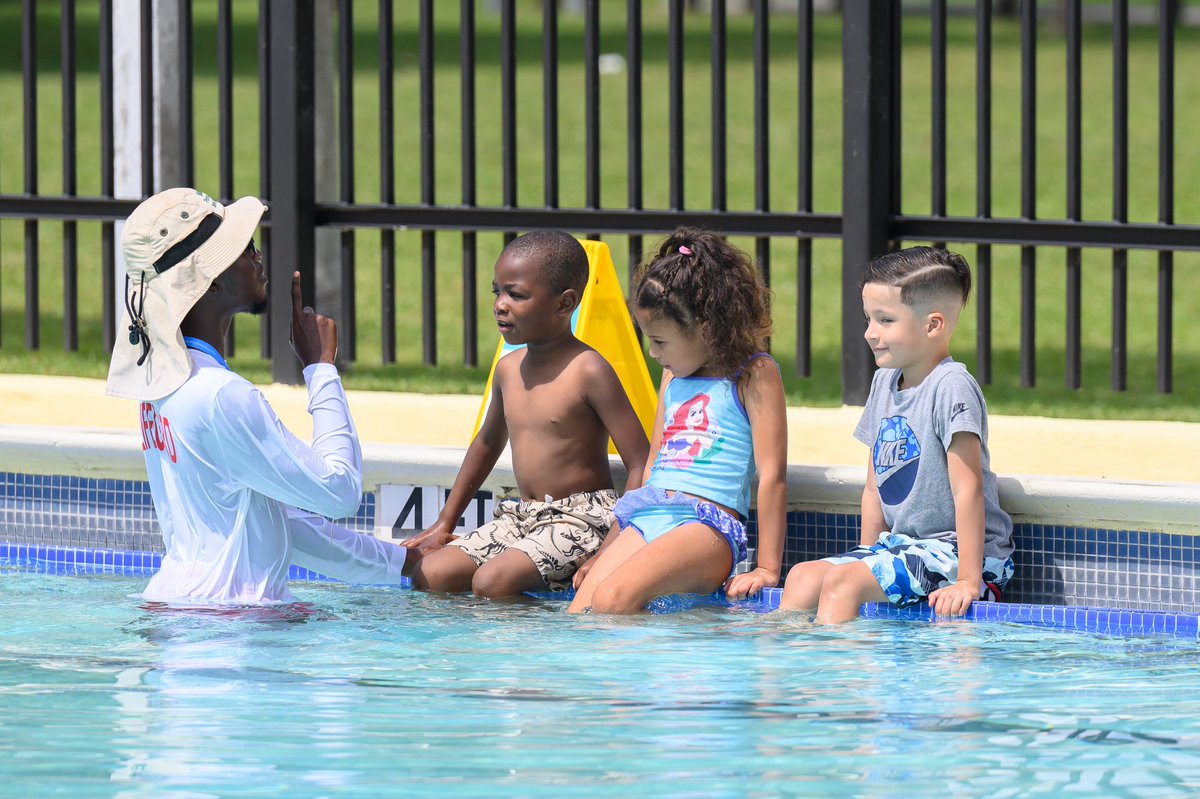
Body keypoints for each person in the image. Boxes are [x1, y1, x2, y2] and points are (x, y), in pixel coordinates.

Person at [106, 187, 416, 604]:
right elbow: (340, 492)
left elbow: (275, 517)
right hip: (233, 633)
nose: (257, 256)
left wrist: (401, 564)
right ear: (209, 282)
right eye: (243, 248)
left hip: (176, 612)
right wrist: (321, 369)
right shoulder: (221, 395)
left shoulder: (162, 384)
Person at [403, 230, 650, 598]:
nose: (500, 304)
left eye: (516, 295)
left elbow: (640, 462)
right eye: (497, 292)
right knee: (429, 574)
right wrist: (445, 522)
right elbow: (487, 443)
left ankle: (545, 638)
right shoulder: (508, 369)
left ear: (564, 304)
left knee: (491, 582)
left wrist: (612, 545)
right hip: (522, 517)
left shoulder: (588, 371)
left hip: (580, 520)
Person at [779, 246, 1015, 623]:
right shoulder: (884, 381)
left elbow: (968, 490)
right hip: (904, 546)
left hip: (958, 553)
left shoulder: (951, 386)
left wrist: (969, 581)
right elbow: (874, 486)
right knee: (802, 578)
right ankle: (788, 669)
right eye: (868, 319)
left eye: (885, 320)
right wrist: (868, 554)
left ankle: (838, 677)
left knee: (843, 585)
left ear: (933, 324)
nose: (871, 333)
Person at [567, 228, 787, 614]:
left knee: (613, 599)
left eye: (661, 341)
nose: (652, 353)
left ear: (705, 328)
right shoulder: (673, 376)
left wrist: (767, 567)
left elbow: (772, 475)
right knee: (581, 612)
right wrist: (603, 555)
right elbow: (654, 469)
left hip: (706, 527)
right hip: (650, 515)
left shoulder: (754, 373)